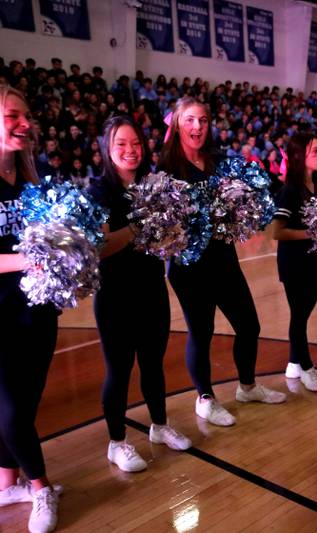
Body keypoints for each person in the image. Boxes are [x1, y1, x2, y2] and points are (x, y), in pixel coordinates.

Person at [160, 97, 286, 427]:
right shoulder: (166, 167)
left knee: (249, 325)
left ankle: (247, 386)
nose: (197, 127)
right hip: (189, 267)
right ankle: (205, 398)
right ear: (176, 124)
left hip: (224, 258)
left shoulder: (218, 160)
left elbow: (237, 205)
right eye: (189, 120)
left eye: (202, 120)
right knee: (201, 332)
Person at [89, 116, 193, 473]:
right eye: (121, 144)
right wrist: (140, 225)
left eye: (136, 143)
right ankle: (117, 442)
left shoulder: (155, 184)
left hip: (151, 288)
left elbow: (171, 236)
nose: (131, 150)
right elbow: (101, 246)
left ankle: (160, 426)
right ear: (107, 148)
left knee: (153, 365)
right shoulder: (98, 191)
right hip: (115, 296)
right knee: (118, 371)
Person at [0, 86, 59, 532]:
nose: (24, 123)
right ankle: (41, 488)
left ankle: (8, 483)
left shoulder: (32, 179)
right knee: (10, 411)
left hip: (37, 311)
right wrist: (27, 260)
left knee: (25, 405)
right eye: (12, 115)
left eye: (26, 115)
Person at [272, 133, 317, 392]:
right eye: (315, 151)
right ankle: (305, 367)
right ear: (299, 157)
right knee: (299, 316)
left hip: (315, 261)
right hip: (294, 263)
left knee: (303, 314)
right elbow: (277, 231)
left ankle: (295, 363)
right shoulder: (290, 191)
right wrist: (310, 234)